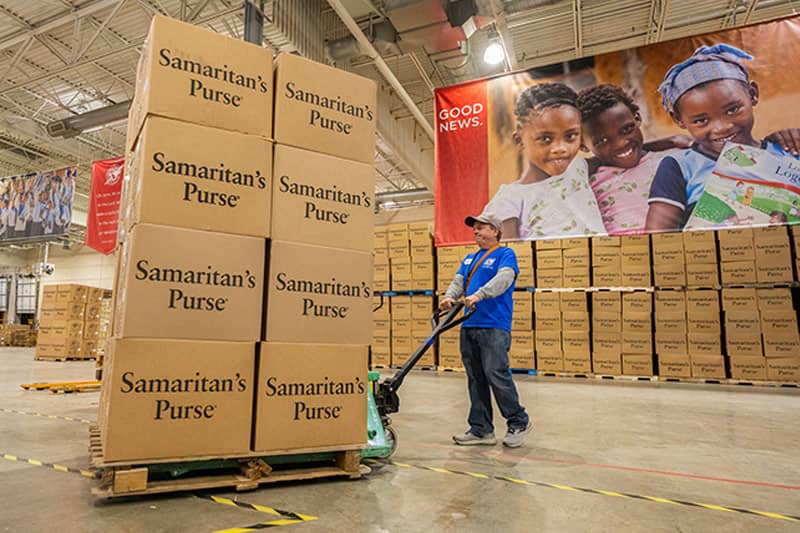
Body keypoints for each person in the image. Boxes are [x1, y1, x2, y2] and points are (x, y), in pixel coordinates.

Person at [646, 43, 800, 231]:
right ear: (679, 120)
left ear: (752, 94)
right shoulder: (680, 167)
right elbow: (657, 241)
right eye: (701, 120)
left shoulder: (788, 151)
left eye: (733, 109)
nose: (722, 128)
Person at [439, 212, 531, 448]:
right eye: (475, 228)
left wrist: (480, 294)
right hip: (469, 324)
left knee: (496, 374)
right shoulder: (469, 259)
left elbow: (504, 280)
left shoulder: (505, 254)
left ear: (495, 231)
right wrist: (450, 297)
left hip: (494, 325)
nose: (476, 231)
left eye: (481, 227)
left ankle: (518, 421)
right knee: (475, 377)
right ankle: (481, 430)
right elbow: (459, 281)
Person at [485, 82, 605, 240]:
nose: (560, 148)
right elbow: (509, 253)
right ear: (519, 140)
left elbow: (616, 152)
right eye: (545, 139)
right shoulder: (509, 199)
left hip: (602, 261)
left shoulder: (578, 167)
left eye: (570, 136)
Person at [577, 84, 687, 235]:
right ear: (582, 145)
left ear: (637, 118)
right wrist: (669, 140)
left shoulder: (674, 159)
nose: (620, 143)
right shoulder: (586, 183)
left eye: (626, 129)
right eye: (602, 141)